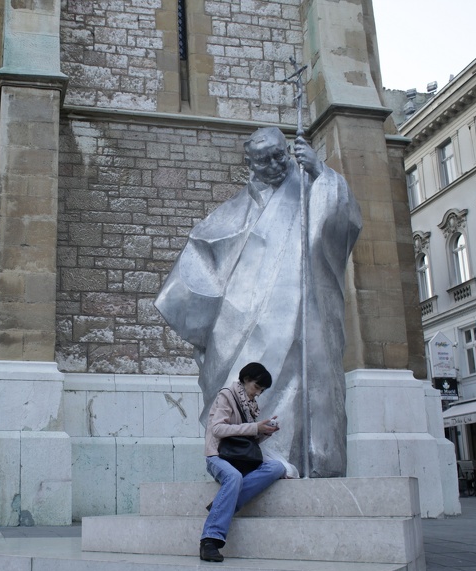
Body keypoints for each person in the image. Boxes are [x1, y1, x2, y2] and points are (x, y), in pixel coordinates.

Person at [155, 127, 361, 477]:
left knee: (298, 381)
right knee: (243, 381)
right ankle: (250, 456)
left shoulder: (310, 186)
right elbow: (206, 247)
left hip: (302, 312)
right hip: (242, 317)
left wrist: (319, 172)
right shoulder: (238, 206)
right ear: (250, 164)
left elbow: (343, 223)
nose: (276, 165)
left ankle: (299, 458)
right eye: (265, 160)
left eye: (280, 155)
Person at [200, 362, 287, 562]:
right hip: (218, 456)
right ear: (246, 379)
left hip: (241, 459)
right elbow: (218, 429)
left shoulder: (251, 406)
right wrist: (255, 427)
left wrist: (265, 432)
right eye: (256, 387)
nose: (258, 393)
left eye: (262, 390)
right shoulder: (227, 395)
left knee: (277, 467)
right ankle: (209, 541)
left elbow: (245, 442)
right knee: (234, 477)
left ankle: (222, 504)